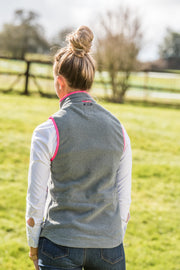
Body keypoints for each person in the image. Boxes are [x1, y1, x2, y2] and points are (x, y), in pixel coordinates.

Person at [26, 25, 132, 270]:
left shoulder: (47, 131)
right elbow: (123, 201)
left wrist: (33, 244)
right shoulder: (120, 130)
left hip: (59, 244)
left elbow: (36, 200)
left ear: (60, 82)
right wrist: (112, 241)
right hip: (110, 248)